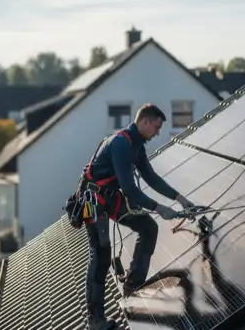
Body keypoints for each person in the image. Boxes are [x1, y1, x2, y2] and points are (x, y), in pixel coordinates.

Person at [79, 103, 195, 330]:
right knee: (101, 257)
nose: (158, 132)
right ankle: (95, 320)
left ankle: (133, 287)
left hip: (109, 197)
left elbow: (151, 178)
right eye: (156, 127)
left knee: (148, 228)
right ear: (145, 122)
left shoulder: (137, 146)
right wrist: (160, 207)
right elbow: (130, 190)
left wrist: (179, 198)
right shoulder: (121, 143)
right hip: (92, 201)